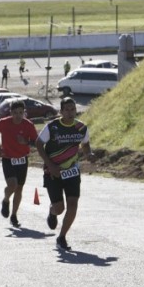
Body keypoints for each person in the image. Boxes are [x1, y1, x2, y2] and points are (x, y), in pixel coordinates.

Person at [35, 97, 93, 251]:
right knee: (59, 208)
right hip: (52, 172)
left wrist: (89, 154)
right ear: (61, 111)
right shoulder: (52, 127)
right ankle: (52, 212)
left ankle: (62, 237)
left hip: (72, 171)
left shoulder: (81, 128)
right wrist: (50, 165)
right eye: (66, 110)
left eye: (72, 109)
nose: (70, 112)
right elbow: (39, 144)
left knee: (73, 204)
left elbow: (85, 144)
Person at [0, 100, 39, 228]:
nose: (18, 115)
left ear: (24, 113)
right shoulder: (4, 122)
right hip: (8, 158)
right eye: (15, 113)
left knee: (19, 188)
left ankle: (14, 215)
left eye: (20, 113)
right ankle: (6, 200)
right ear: (11, 113)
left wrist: (25, 142)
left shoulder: (28, 125)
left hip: (22, 159)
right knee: (12, 185)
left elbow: (36, 142)